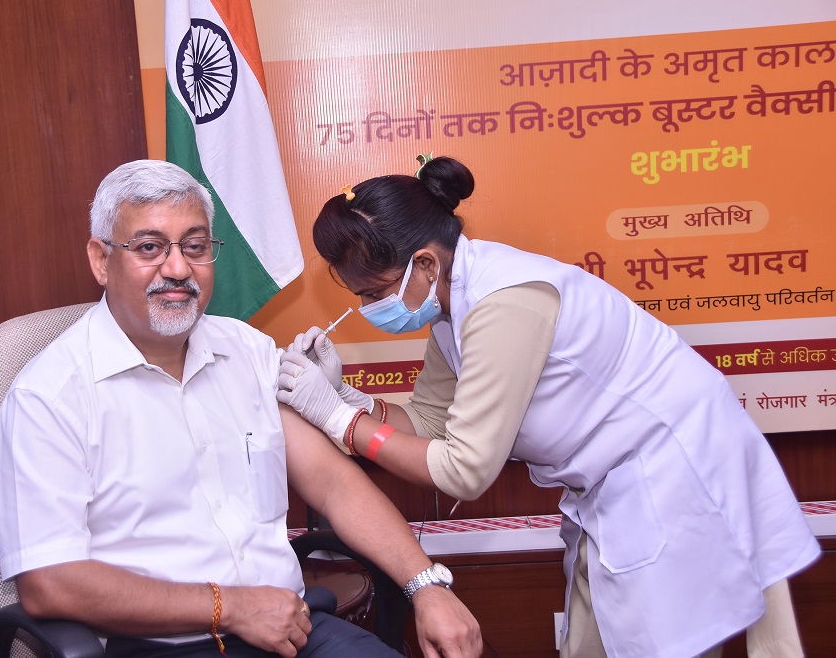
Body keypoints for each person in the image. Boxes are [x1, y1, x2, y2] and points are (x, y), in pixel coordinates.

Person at [276, 155, 821, 658]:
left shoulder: (503, 303)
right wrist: (347, 396)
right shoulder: (449, 308)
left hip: (676, 470)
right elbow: (428, 422)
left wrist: (338, 420)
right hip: (617, 481)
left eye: (375, 293)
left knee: (668, 640)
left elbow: (462, 471)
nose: (367, 308)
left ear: (424, 263)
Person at [0, 159, 482, 658]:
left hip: (292, 631)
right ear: (100, 259)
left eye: (195, 247)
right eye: (150, 247)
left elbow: (333, 484)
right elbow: (51, 582)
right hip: (159, 646)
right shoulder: (48, 397)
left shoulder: (247, 351)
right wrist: (231, 608)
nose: (178, 269)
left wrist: (427, 585)